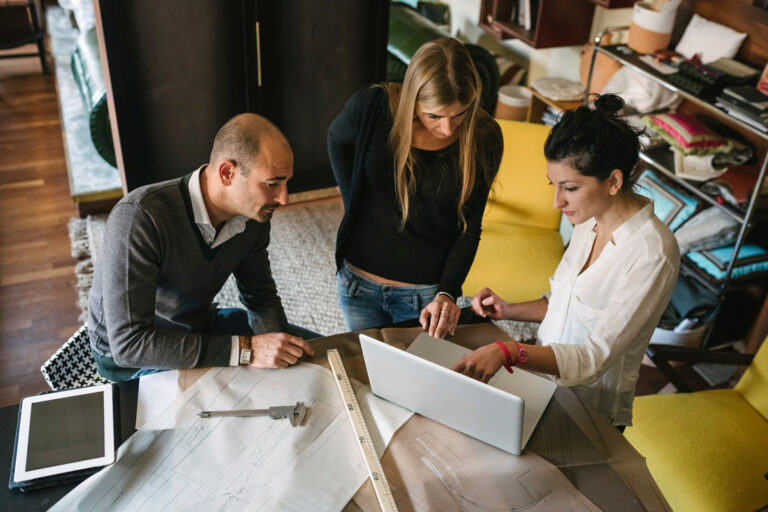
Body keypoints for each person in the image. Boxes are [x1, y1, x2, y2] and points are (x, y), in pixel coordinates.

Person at [452, 94, 680, 428]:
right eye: (554, 185)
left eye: (569, 188)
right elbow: (565, 302)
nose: (557, 201)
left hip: (590, 410)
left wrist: (509, 350)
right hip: (540, 383)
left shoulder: (653, 254)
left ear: (614, 181)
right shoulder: (588, 221)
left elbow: (593, 358)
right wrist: (510, 309)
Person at [88, 114, 316, 381]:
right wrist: (247, 351)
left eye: (286, 182)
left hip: (196, 326)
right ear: (227, 173)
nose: (284, 198)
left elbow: (261, 297)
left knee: (316, 356)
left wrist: (280, 357)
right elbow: (130, 344)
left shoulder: (253, 217)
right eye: (272, 184)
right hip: (133, 358)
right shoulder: (139, 217)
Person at [327, 37, 503, 338]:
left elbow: (470, 229)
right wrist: (350, 198)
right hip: (357, 284)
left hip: (425, 299)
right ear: (413, 100)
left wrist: (447, 293)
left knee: (418, 379)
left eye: (459, 114)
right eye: (434, 115)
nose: (448, 128)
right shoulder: (373, 105)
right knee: (365, 373)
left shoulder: (484, 138)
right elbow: (336, 140)